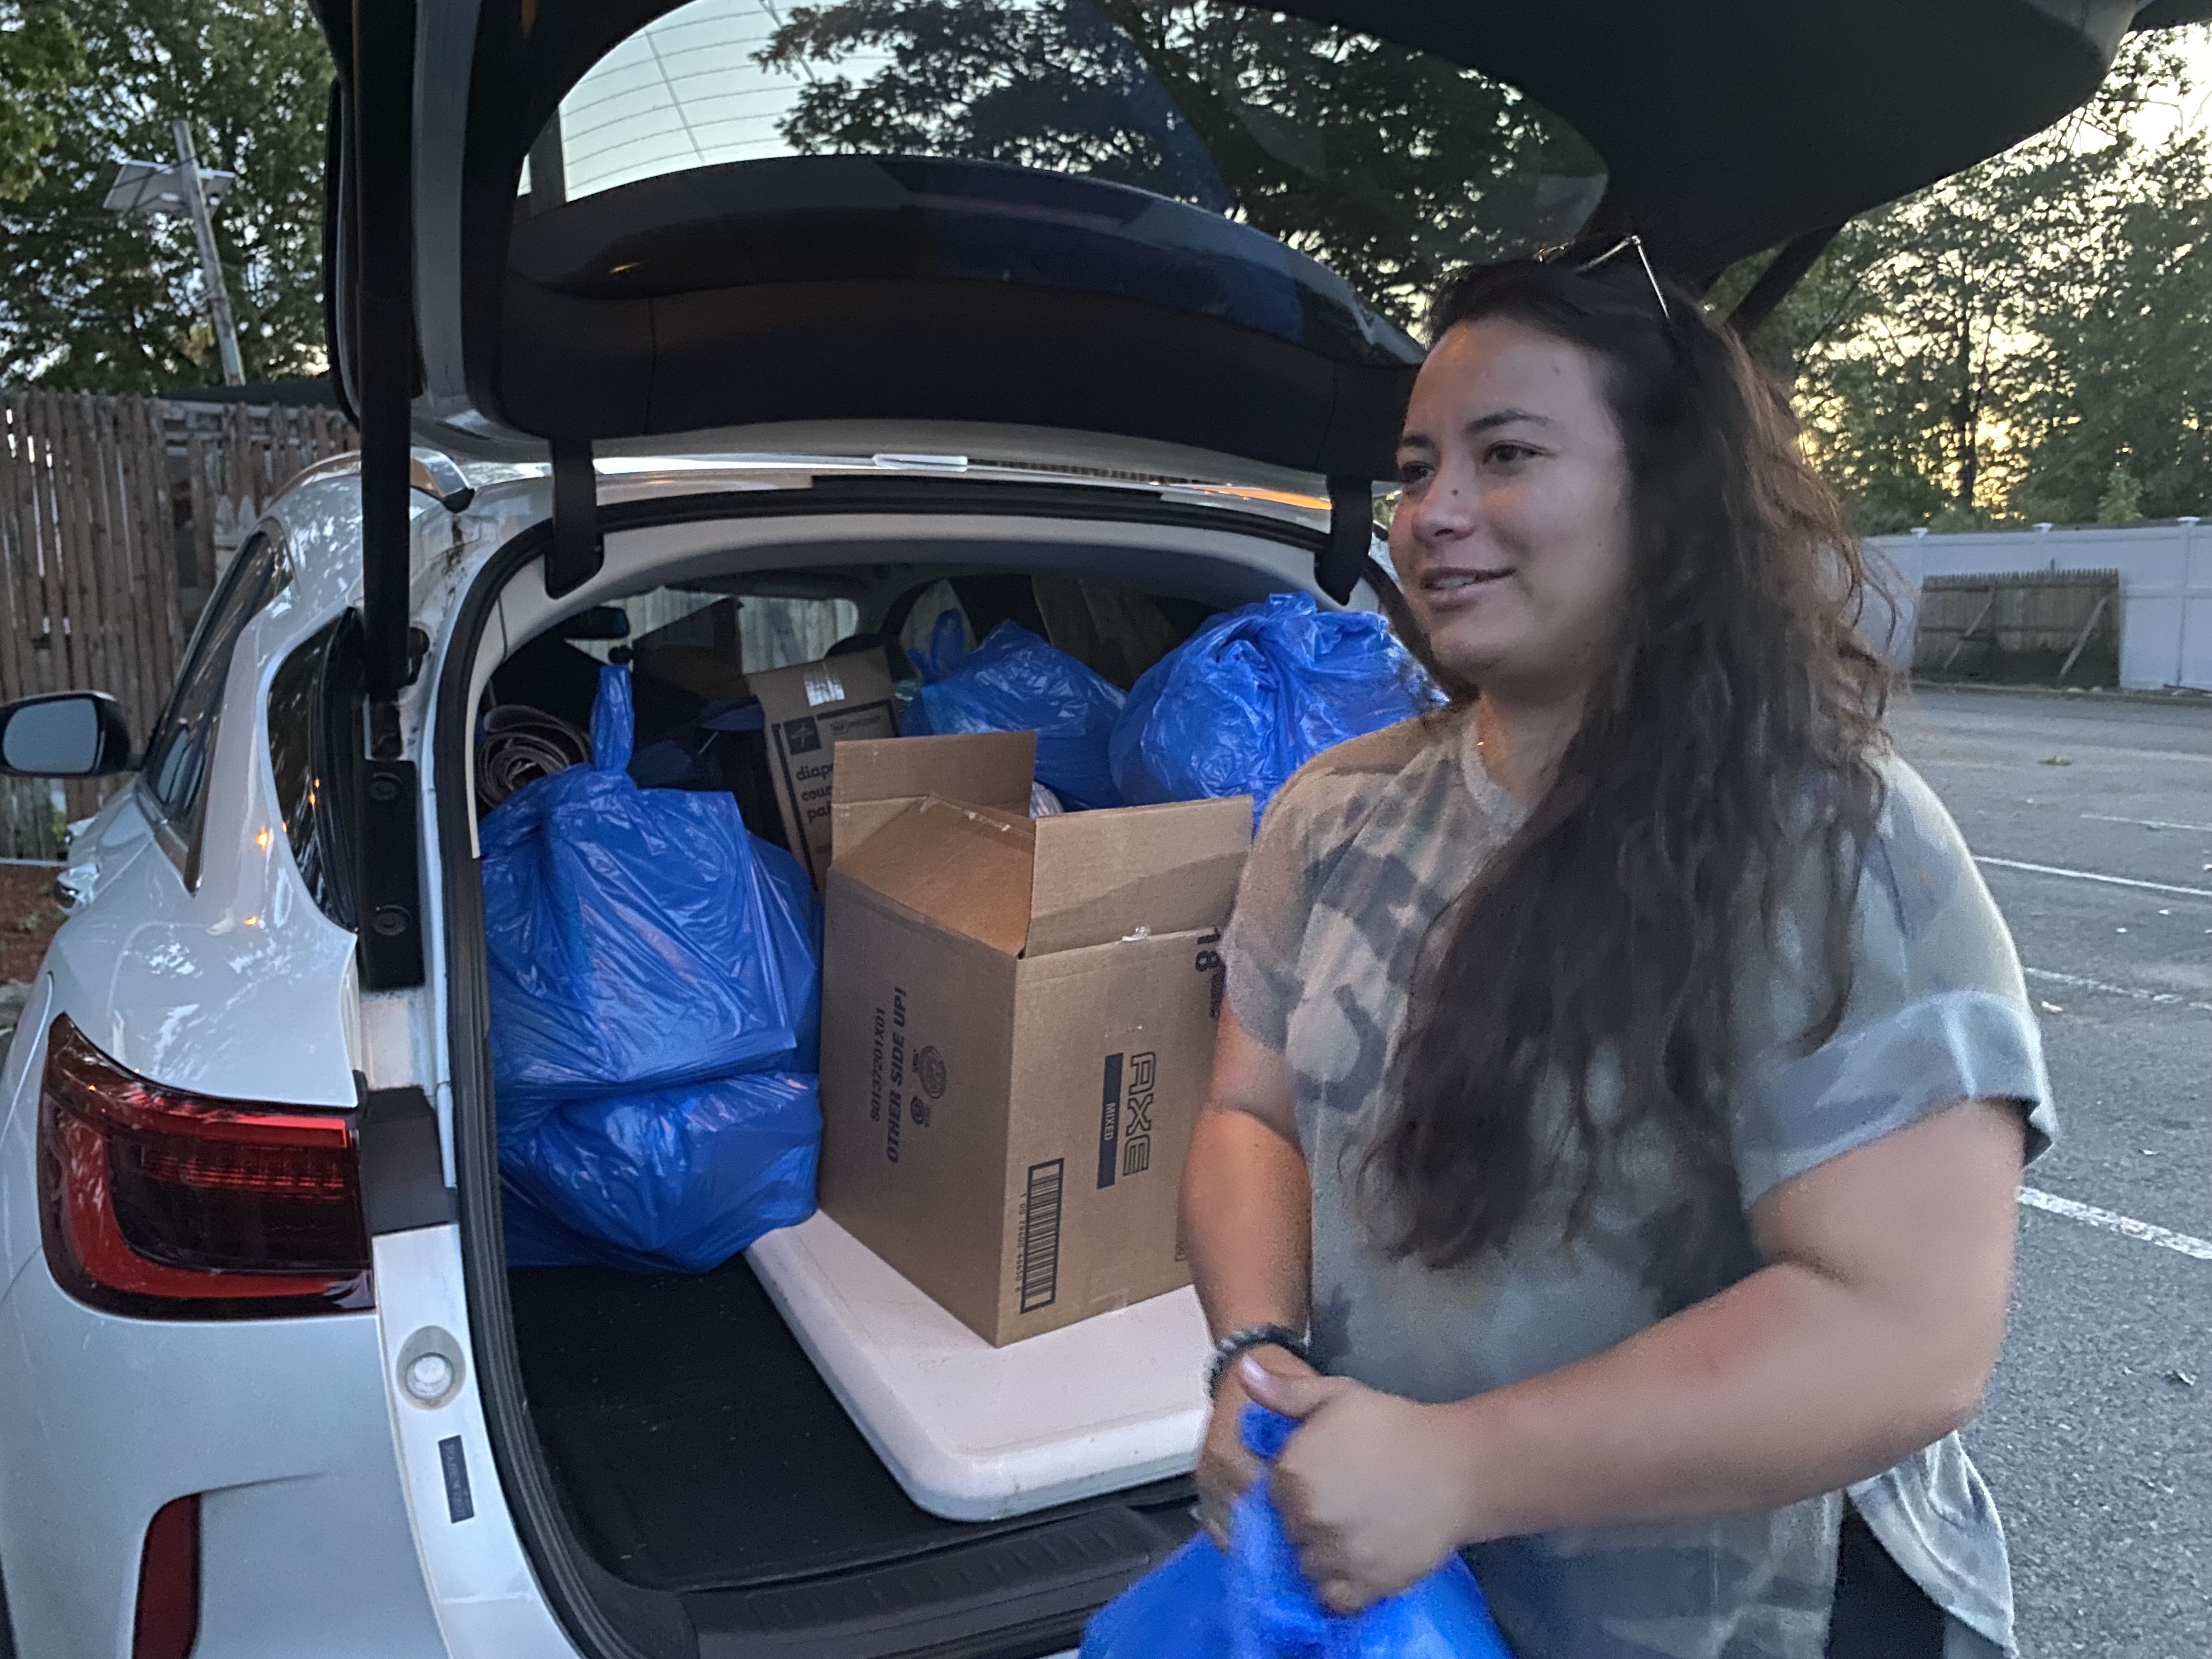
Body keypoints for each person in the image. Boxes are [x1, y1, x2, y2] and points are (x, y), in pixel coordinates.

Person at [1181, 246, 2052, 1659]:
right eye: (1416, 469)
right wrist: (1253, 1349)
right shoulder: (1330, 812)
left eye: (1507, 453)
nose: (1437, 514)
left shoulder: (1830, 840)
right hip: (1409, 1603)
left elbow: (1907, 1330)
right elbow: (1248, 1112)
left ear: (1663, 495)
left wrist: (1464, 1466)